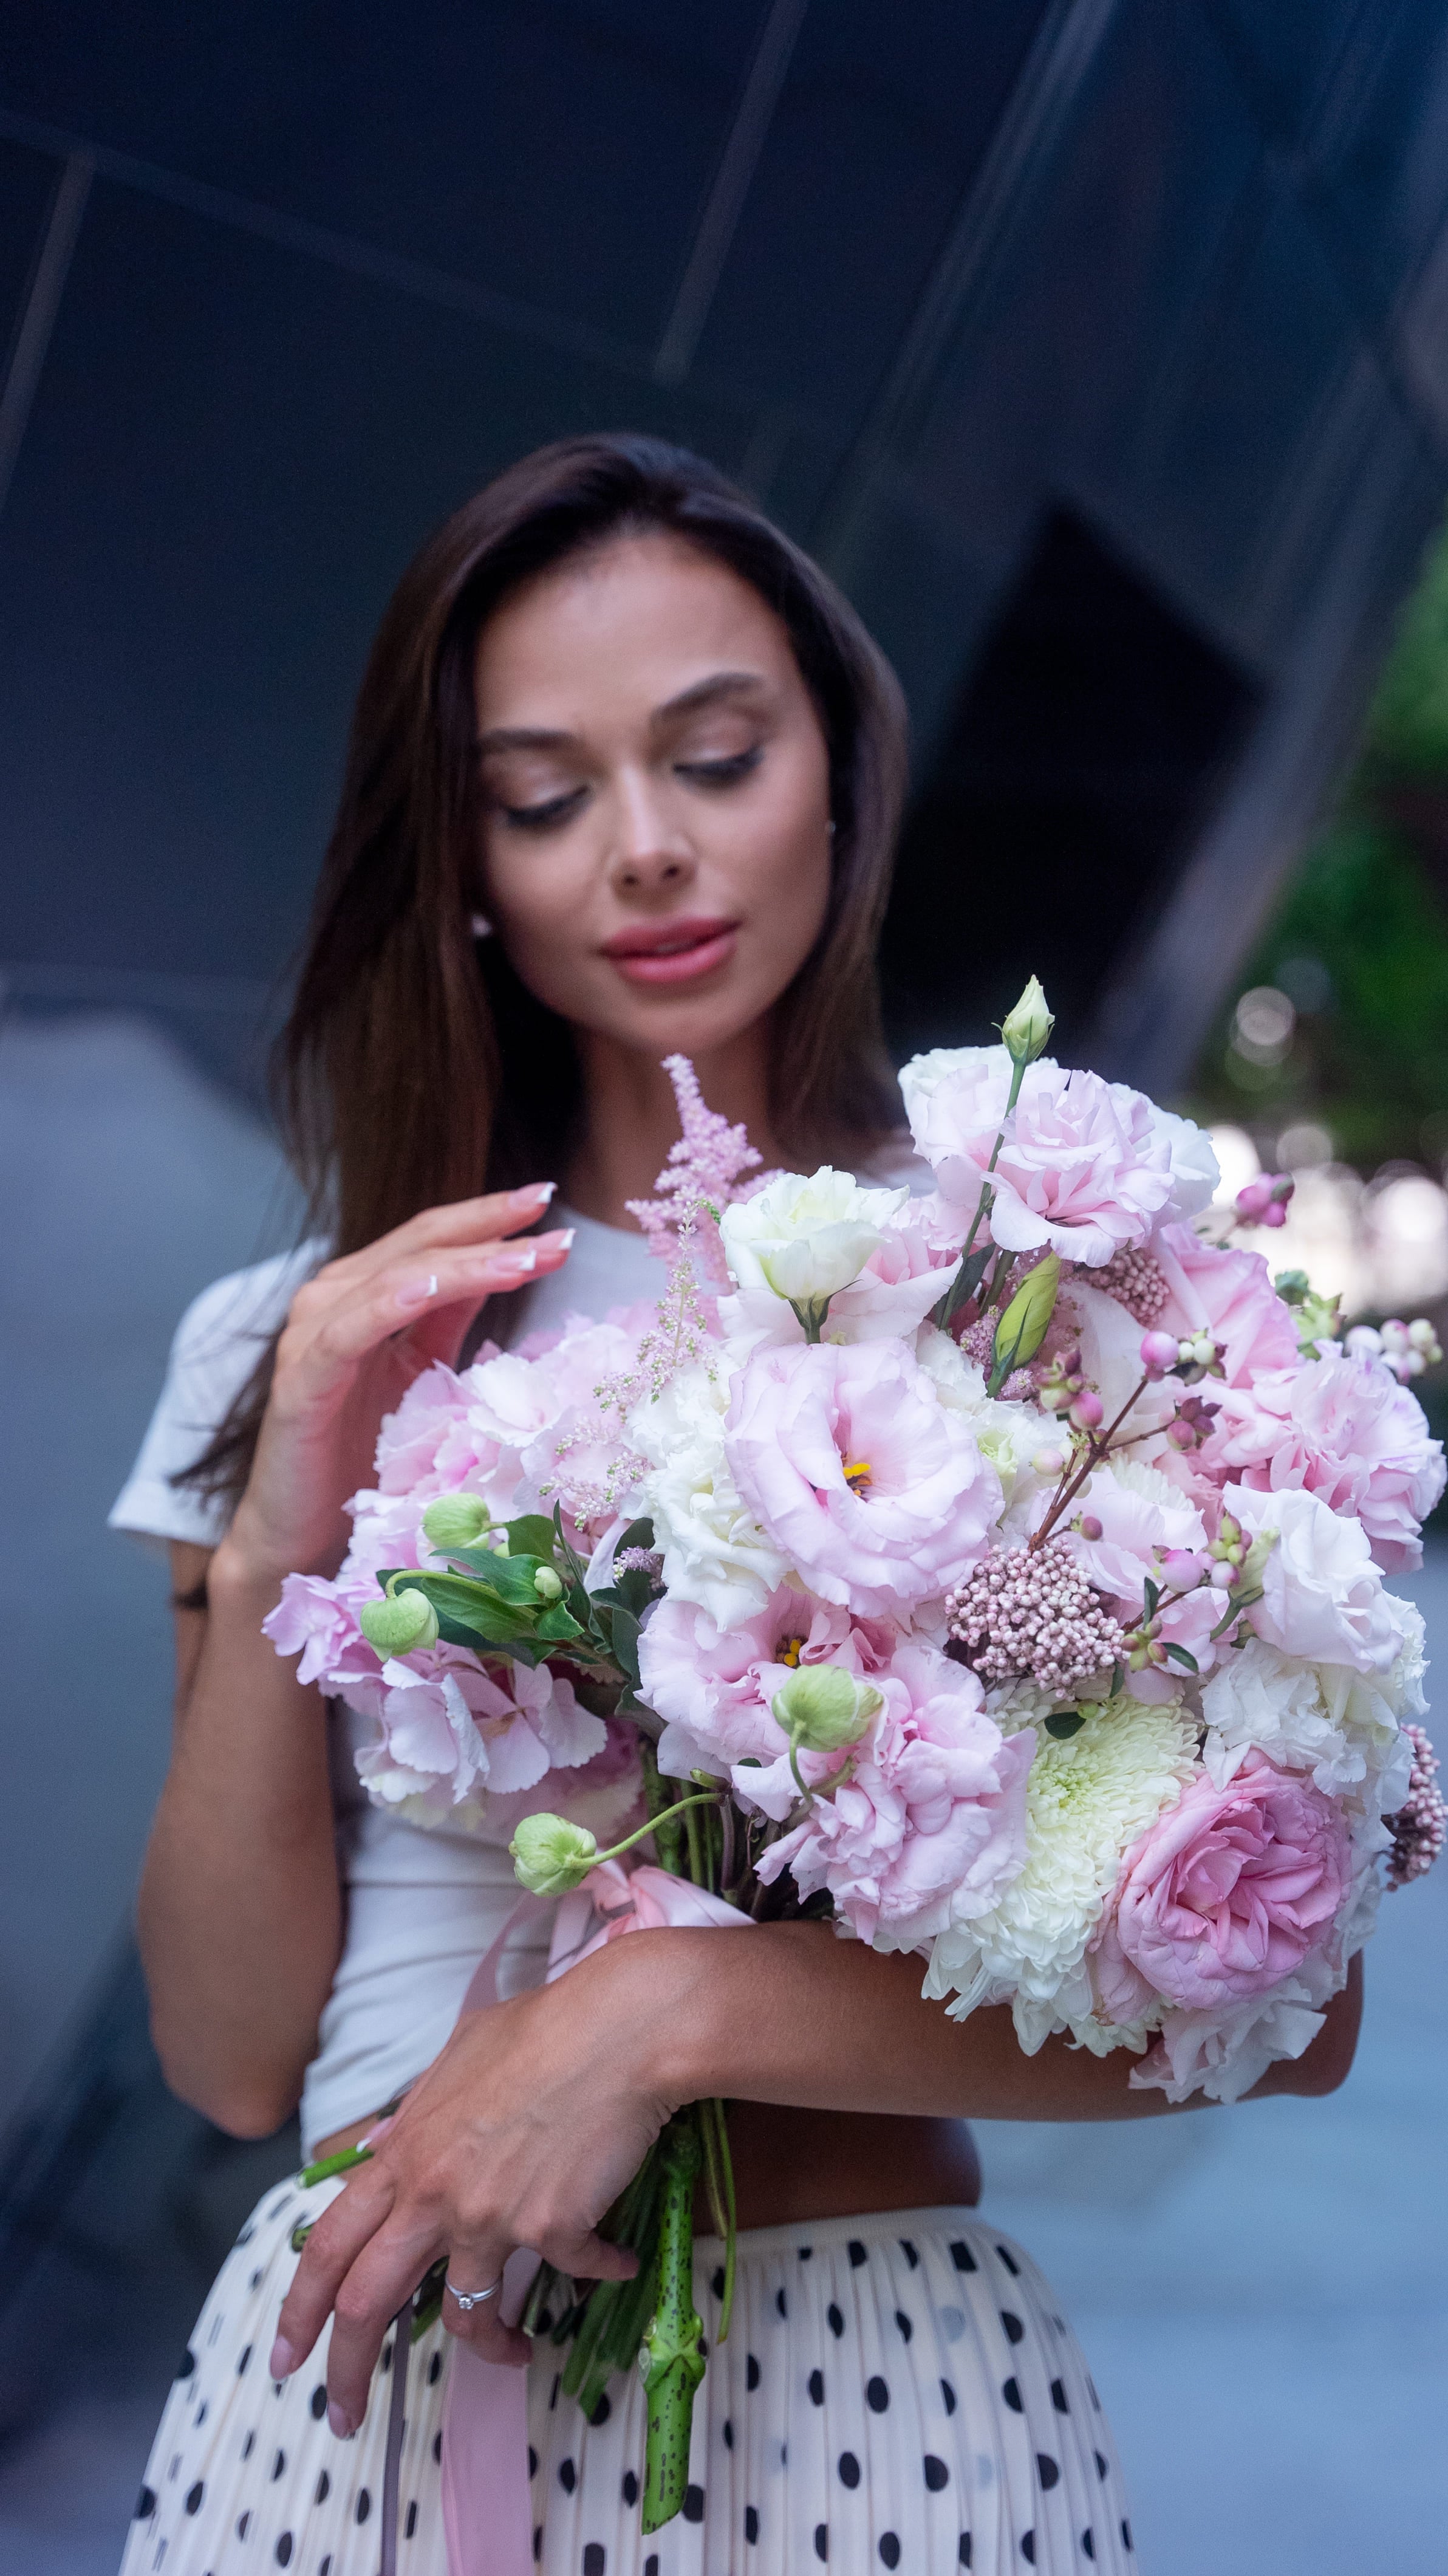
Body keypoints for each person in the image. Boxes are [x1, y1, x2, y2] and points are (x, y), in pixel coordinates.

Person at [113, 434, 1360, 2576]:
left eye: (715, 754)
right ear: (468, 864)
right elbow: (230, 2057)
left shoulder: (1031, 1274)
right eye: (545, 795)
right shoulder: (308, 1336)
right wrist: (268, 1534)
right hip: (362, 2409)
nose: (648, 854)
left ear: (842, 775)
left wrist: (656, 2018)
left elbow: (1285, 2007)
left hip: (874, 2400)